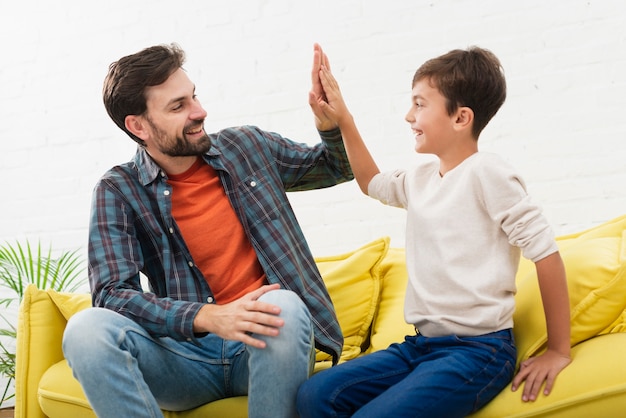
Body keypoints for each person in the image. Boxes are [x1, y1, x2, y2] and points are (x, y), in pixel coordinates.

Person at [62, 43, 353, 418]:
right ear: (138, 126)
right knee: (85, 329)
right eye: (177, 106)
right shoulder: (119, 189)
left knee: (282, 304)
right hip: (185, 359)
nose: (199, 111)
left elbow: (336, 167)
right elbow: (112, 295)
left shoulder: (246, 147)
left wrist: (331, 122)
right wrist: (208, 317)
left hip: (265, 347)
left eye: (193, 96)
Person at [297, 44, 572, 417]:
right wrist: (343, 118)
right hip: (421, 347)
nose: (409, 115)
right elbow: (371, 182)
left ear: (461, 118)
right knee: (315, 396)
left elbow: (545, 253)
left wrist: (558, 350)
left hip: (479, 352)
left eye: (420, 104)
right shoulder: (421, 179)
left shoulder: (489, 173)